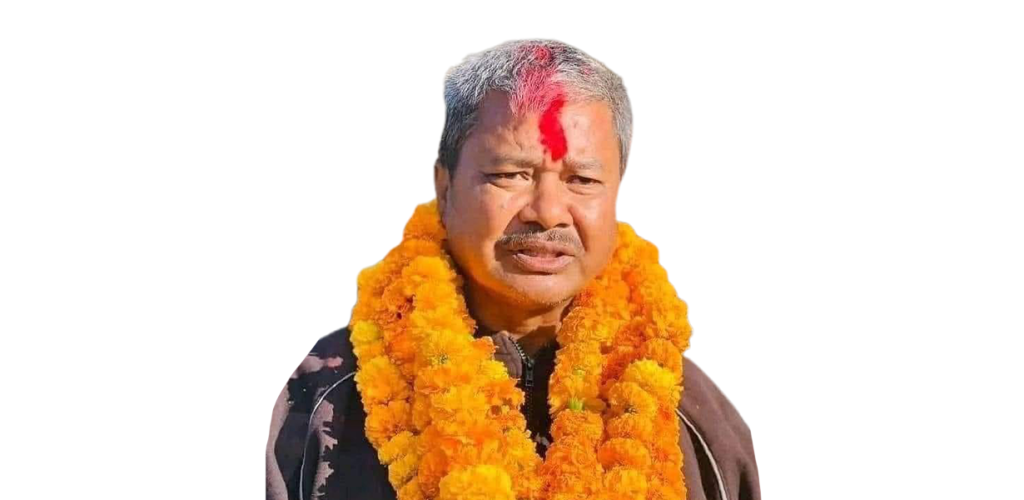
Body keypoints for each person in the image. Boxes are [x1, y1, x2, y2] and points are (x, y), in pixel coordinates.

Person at [267, 39, 759, 500]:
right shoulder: (325, 401)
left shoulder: (688, 415)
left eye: (582, 180)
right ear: (445, 188)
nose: (547, 212)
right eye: (510, 175)